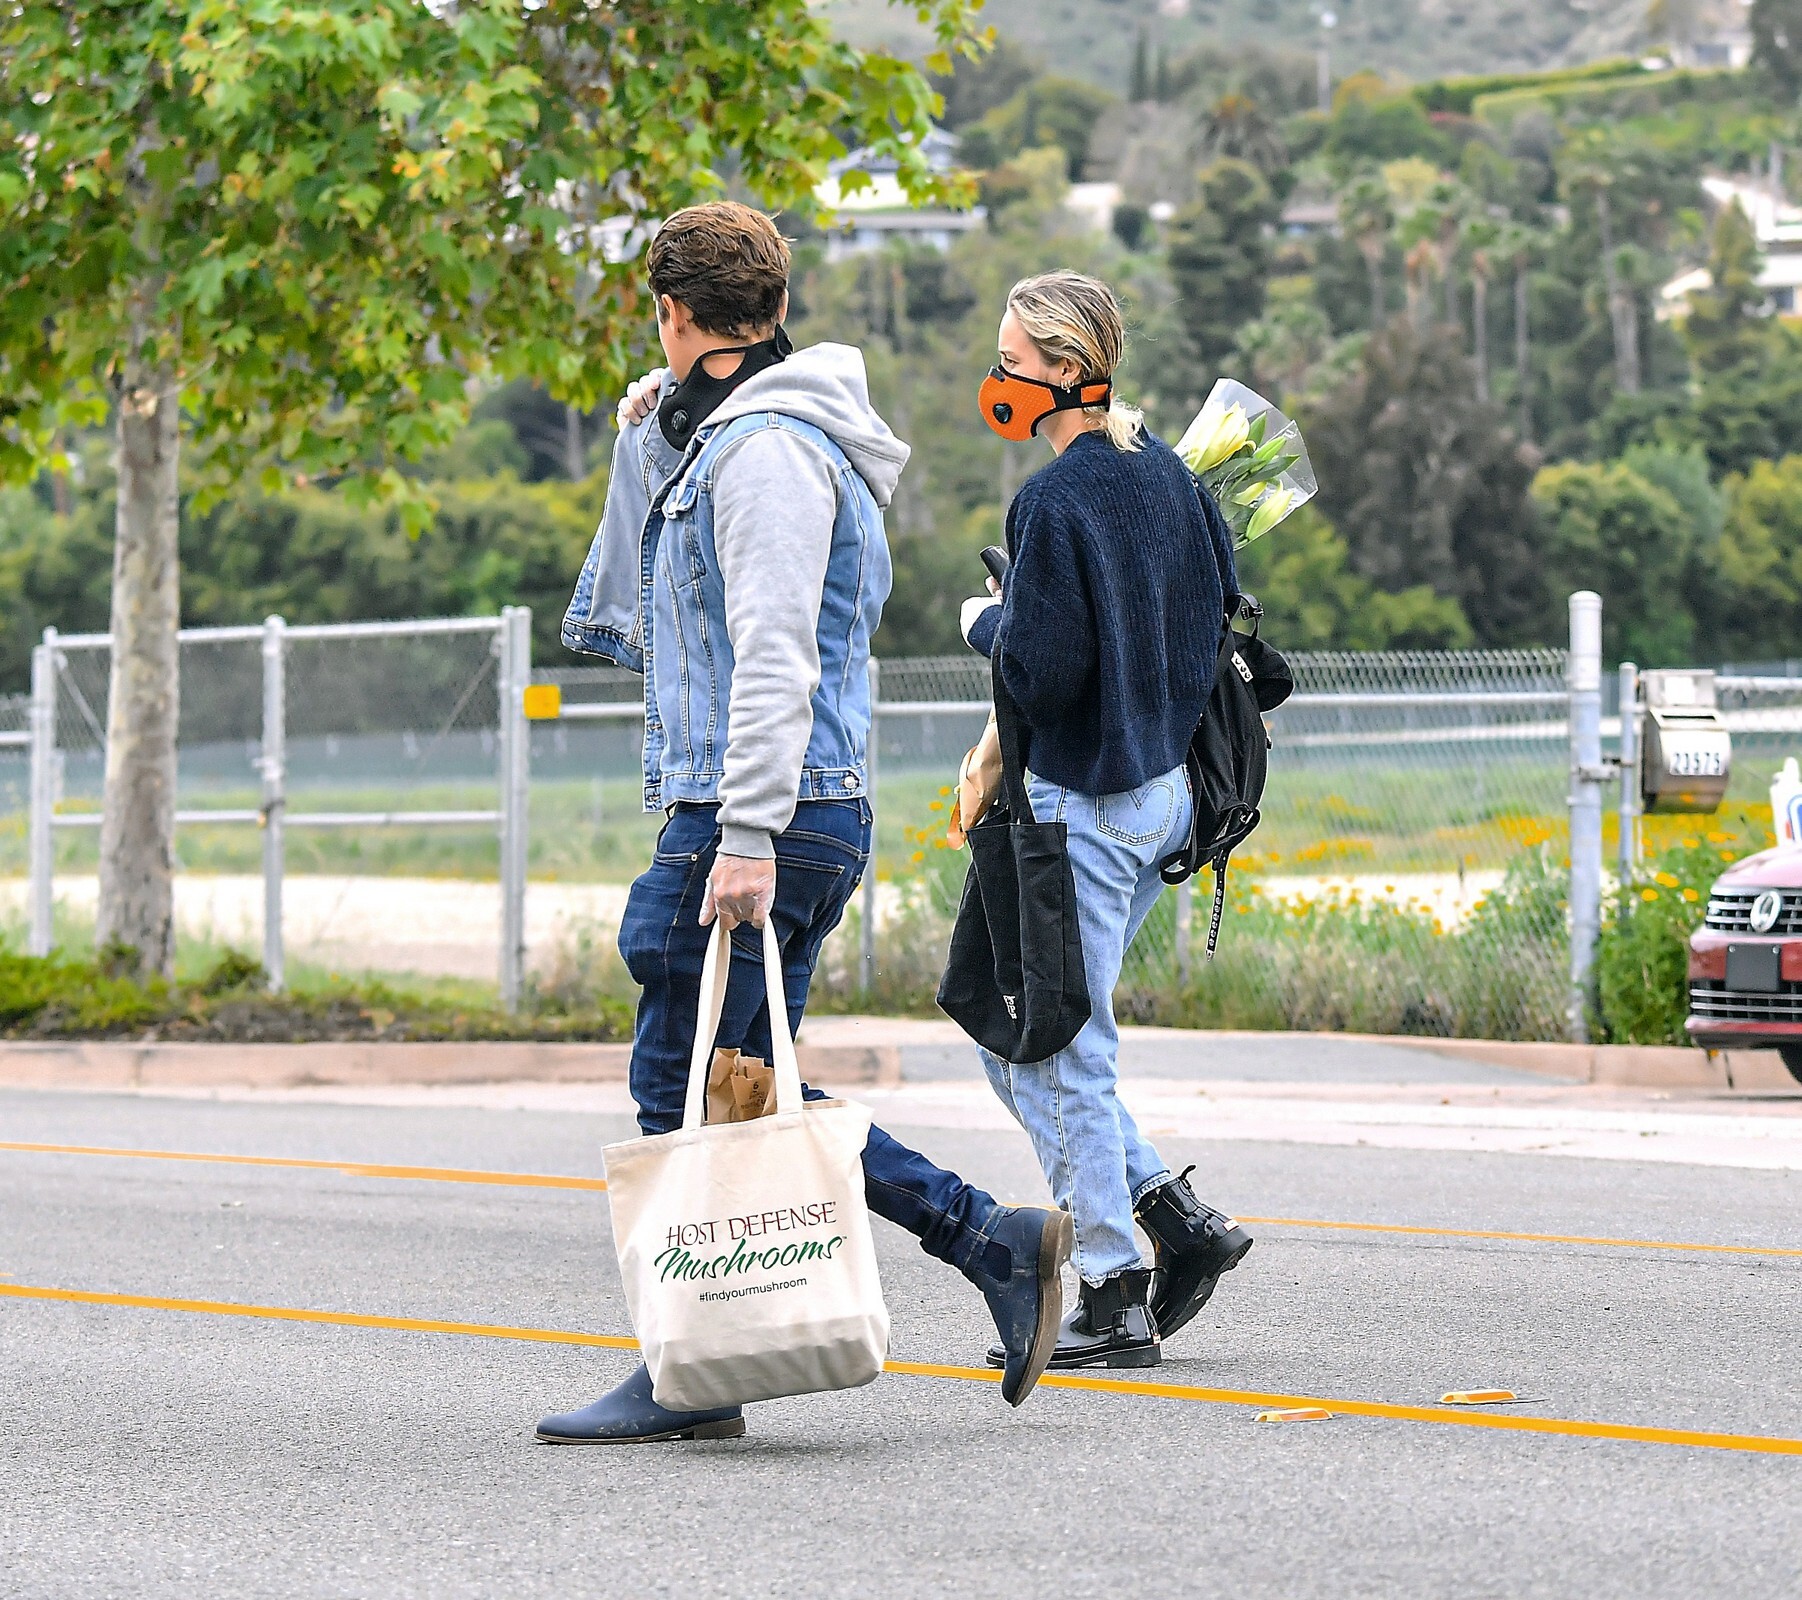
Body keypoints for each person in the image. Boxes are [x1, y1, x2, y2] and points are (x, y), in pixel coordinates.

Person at [536, 203, 1072, 1445]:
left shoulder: (766, 452)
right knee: (743, 1079)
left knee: (679, 1079)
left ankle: (701, 1367)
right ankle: (983, 1243)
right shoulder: (745, 433)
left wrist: (742, 833)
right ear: (773, 307)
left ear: (672, 313)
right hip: (793, 804)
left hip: (762, 809)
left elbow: (772, 649)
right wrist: (652, 432)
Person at [959, 271, 1253, 1372]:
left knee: (1065, 1049)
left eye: (1011, 361)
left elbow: (1040, 672)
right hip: (1164, 796)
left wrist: (988, 623)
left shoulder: (1050, 503)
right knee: (1015, 1043)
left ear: (1067, 368)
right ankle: (1175, 1218)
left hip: (1082, 804)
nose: (998, 378)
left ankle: (1112, 1289)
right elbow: (1215, 619)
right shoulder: (1173, 476)